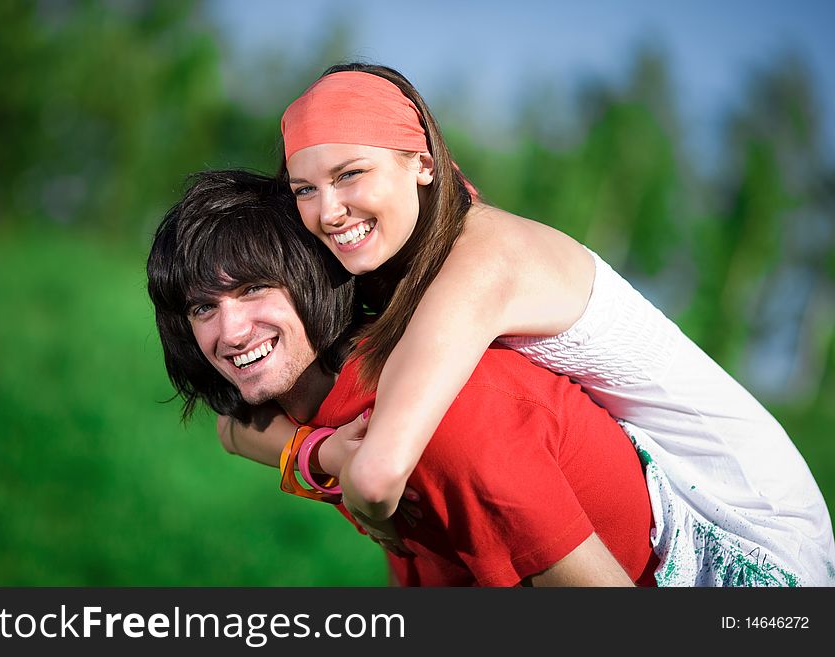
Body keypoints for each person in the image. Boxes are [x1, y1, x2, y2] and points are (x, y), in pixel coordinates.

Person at [225, 62, 835, 586]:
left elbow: (380, 474)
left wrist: (346, 475)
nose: (327, 211)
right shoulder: (397, 260)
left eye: (350, 174)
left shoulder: (483, 261)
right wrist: (320, 454)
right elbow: (235, 422)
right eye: (305, 189)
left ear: (422, 163)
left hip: (741, 516)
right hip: (647, 488)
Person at [146, 168, 660, 586]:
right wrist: (319, 455)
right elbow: (233, 427)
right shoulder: (322, 405)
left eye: (255, 288)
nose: (232, 333)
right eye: (203, 308)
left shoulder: (439, 423)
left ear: (316, 278)